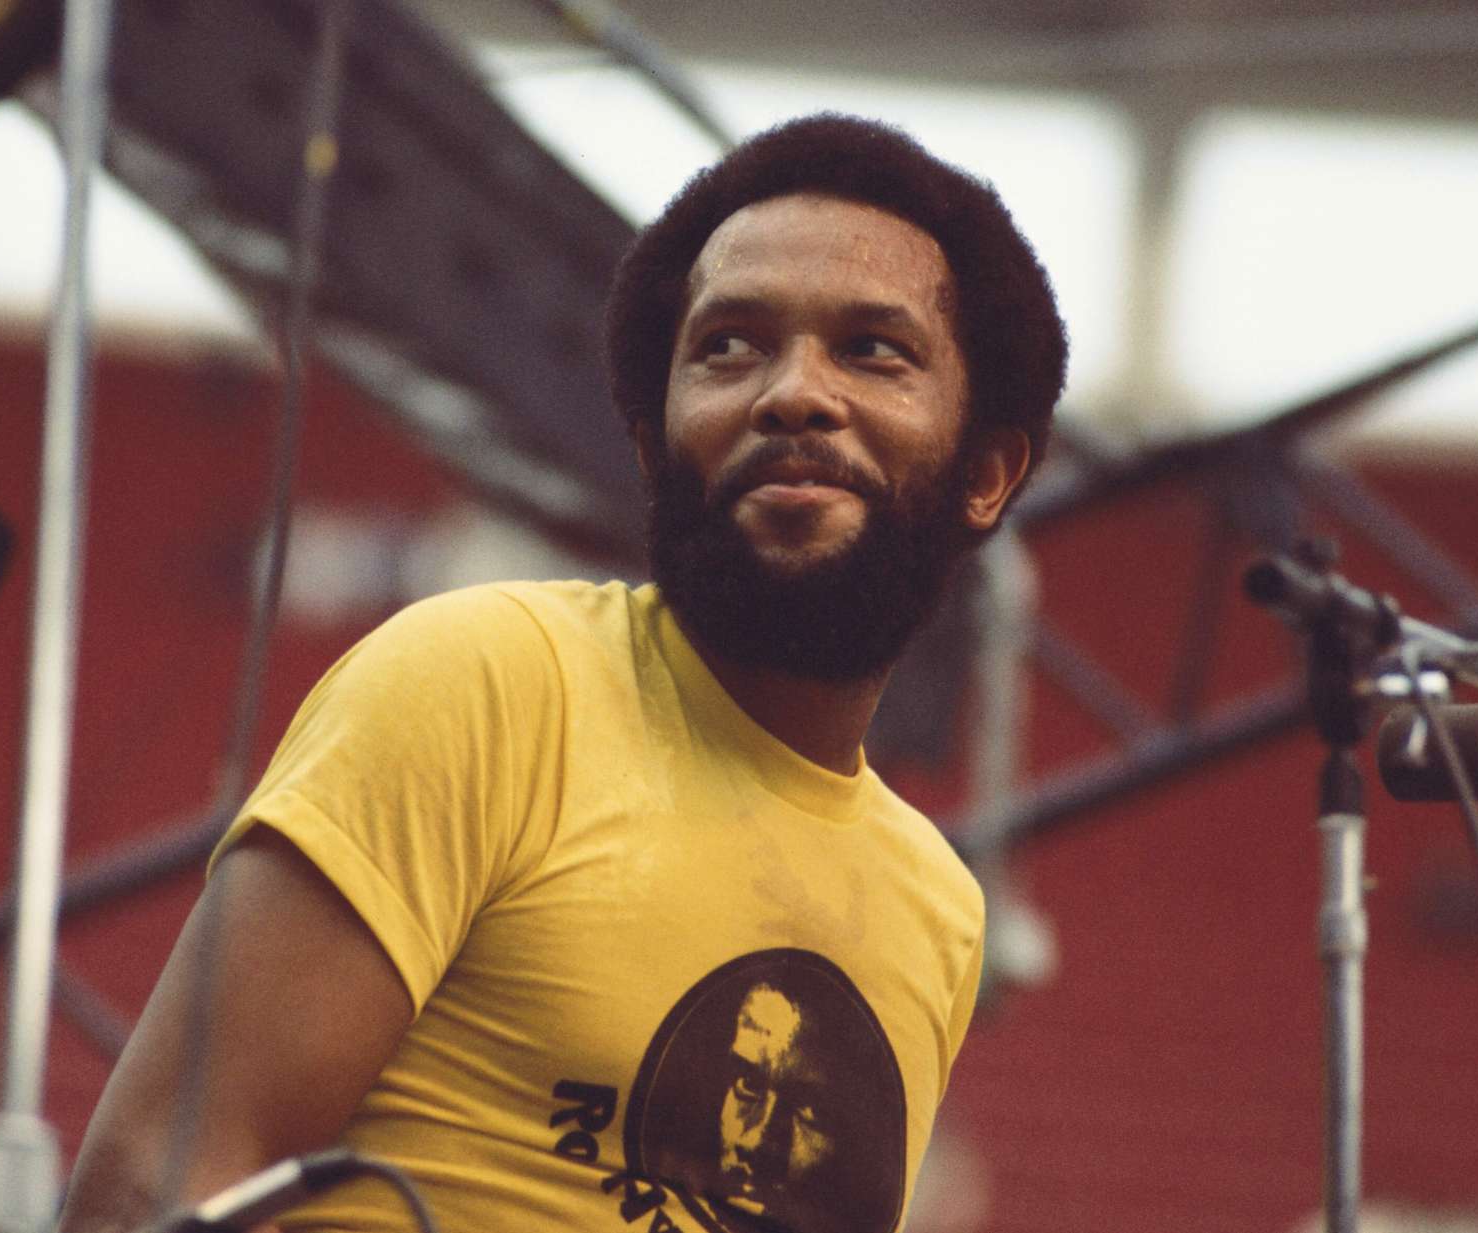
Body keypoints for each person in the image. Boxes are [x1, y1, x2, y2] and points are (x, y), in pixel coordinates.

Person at [56, 111, 1067, 1233]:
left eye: (872, 350)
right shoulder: (485, 684)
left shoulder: (937, 913)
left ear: (986, 473)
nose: (791, 391)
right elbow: (154, 1182)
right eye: (729, 346)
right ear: (651, 444)